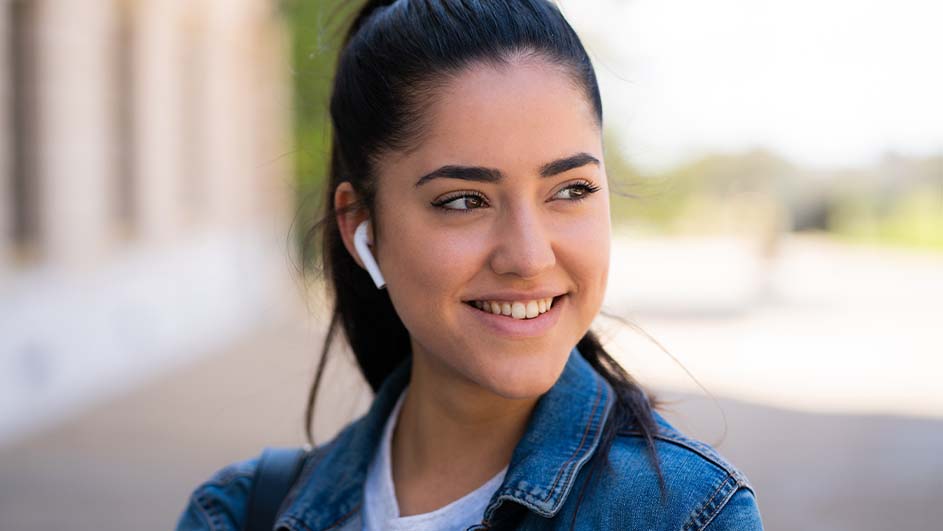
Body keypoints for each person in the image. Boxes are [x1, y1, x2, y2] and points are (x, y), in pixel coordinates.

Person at [176, 0, 764, 529]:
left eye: (571, 189)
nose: (529, 257)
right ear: (361, 228)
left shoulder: (685, 516)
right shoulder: (237, 513)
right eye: (463, 200)